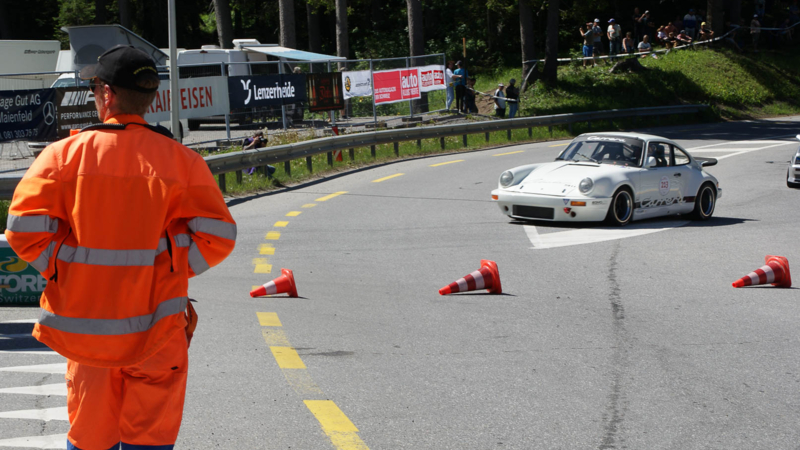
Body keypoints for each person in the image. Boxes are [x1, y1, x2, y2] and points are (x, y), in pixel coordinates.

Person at [5, 45, 237, 450]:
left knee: (91, 442)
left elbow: (23, 230)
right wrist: (174, 270)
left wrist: (62, 269)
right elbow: (219, 236)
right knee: (150, 443)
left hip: (88, 334)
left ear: (107, 94)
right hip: (160, 331)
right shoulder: (182, 161)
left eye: (95, 87)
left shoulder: (62, 157)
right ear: (150, 97)